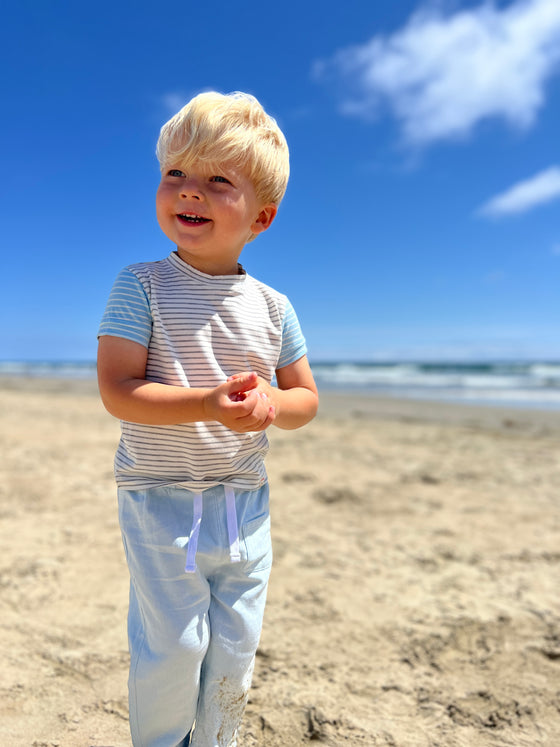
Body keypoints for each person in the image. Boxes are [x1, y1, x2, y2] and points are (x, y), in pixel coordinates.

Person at [97, 91, 318, 747]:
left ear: (262, 216)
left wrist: (270, 407)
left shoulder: (275, 307)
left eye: (218, 180)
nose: (189, 191)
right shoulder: (141, 285)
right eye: (176, 174)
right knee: (173, 647)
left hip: (244, 505)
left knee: (234, 647)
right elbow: (118, 388)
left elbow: (305, 398)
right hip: (160, 499)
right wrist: (203, 403)